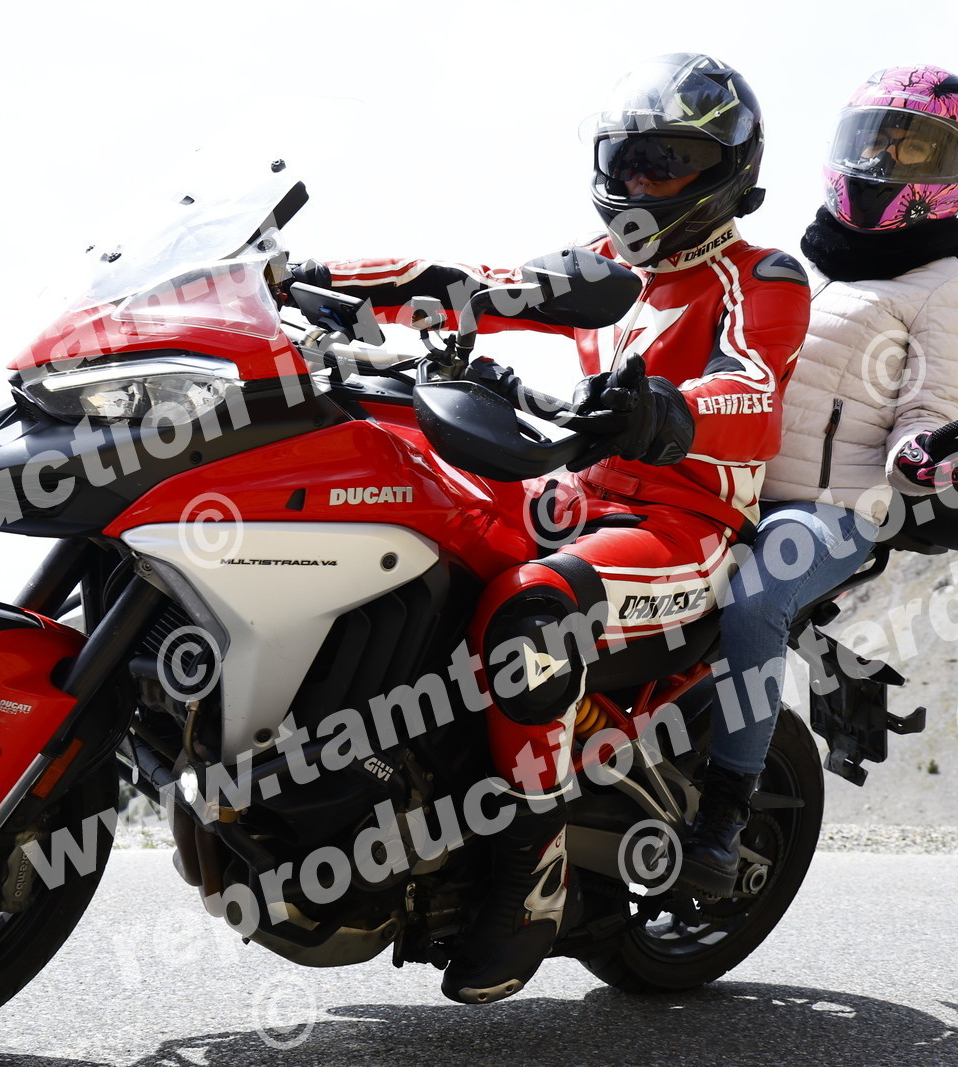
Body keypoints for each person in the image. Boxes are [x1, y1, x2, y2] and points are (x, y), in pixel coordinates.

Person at [295, 53, 810, 1003]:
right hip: (571, 498)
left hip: (685, 523)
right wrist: (307, 277)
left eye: (670, 162)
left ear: (728, 169)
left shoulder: (760, 275)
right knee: (406, 514)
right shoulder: (603, 271)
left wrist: (666, 408)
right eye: (628, 161)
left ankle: (530, 869)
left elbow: (754, 391)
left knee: (534, 612)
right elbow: (467, 282)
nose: (642, 183)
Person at [679, 65, 958, 896]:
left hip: (833, 507)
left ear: (954, 171)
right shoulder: (803, 261)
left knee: (755, 595)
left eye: (917, 148)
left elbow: (929, 406)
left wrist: (921, 454)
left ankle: (724, 812)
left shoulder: (947, 283)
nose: (887, 160)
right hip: (734, 484)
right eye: (877, 138)